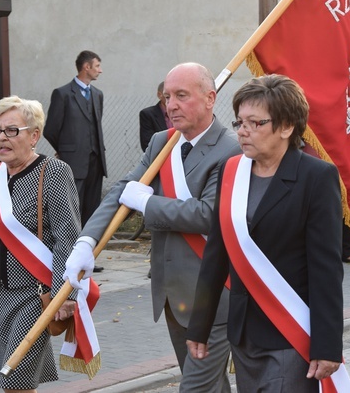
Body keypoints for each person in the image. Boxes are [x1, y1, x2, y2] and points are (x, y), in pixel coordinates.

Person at [64, 62, 240, 392]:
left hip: (215, 296)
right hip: (173, 295)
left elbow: (208, 214)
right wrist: (86, 241)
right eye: (166, 97)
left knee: (195, 387)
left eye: (181, 96)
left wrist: (147, 204)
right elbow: (122, 191)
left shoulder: (230, 148)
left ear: (209, 98)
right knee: (211, 386)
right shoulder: (163, 141)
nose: (170, 105)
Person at [186, 74, 348, 391]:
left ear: (286, 127)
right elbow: (216, 254)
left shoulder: (316, 176)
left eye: (255, 123)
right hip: (244, 333)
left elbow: (326, 268)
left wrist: (328, 345)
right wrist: (199, 326)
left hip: (290, 333)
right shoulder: (231, 170)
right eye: (239, 122)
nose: (242, 131)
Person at [0, 96, 79, 392]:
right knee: (12, 381)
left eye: (11, 130)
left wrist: (63, 293)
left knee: (15, 378)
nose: (1, 138)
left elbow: (67, 237)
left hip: (37, 294)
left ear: (34, 136)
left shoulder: (54, 172)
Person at [44, 50, 107, 228]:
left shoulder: (97, 94)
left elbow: (96, 123)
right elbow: (50, 130)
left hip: (96, 160)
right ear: (86, 67)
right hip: (73, 161)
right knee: (72, 206)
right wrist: (65, 149)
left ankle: (88, 243)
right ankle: (70, 244)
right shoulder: (62, 94)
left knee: (92, 207)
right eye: (97, 66)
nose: (100, 70)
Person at [139, 81, 170, 151]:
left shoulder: (183, 112)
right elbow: (147, 144)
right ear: (159, 95)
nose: (172, 98)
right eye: (168, 95)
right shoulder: (148, 115)